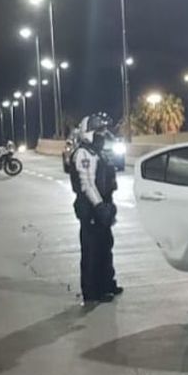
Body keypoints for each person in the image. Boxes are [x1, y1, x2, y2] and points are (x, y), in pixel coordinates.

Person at [69, 113, 123, 304]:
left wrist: (108, 207)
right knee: (93, 251)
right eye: (98, 131)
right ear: (87, 133)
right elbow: (87, 184)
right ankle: (93, 291)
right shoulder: (83, 154)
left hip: (102, 205)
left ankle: (108, 283)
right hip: (90, 208)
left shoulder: (97, 152)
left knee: (106, 246)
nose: (102, 134)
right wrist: (99, 207)